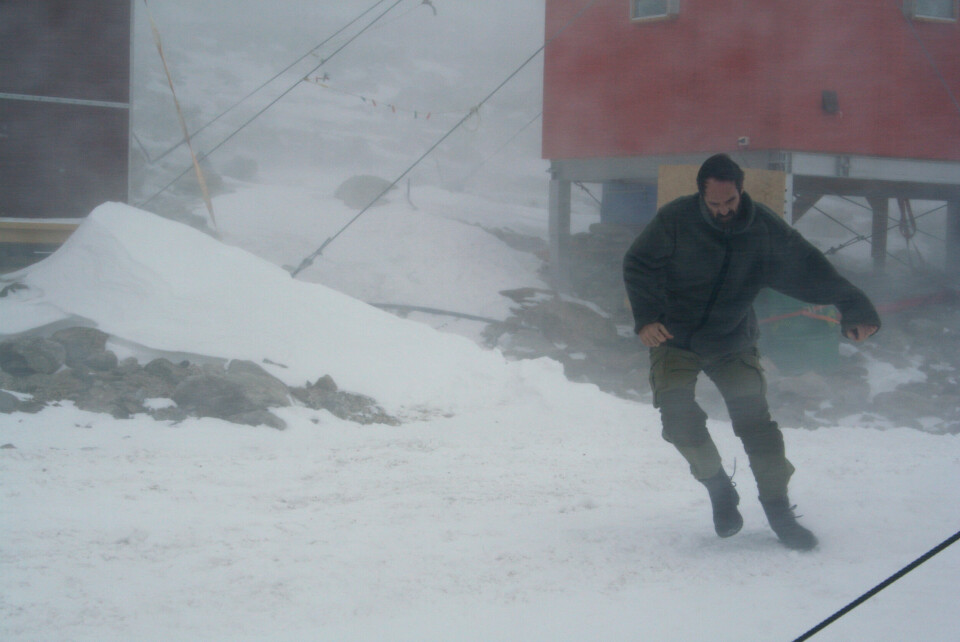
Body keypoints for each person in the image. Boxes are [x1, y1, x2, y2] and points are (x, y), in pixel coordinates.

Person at [622, 154, 880, 550]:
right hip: (674, 338)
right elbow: (639, 263)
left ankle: (779, 511)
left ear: (740, 192)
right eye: (715, 205)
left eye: (731, 202)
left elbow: (810, 266)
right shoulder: (675, 220)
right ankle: (720, 488)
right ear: (701, 195)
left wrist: (855, 306)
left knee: (756, 425)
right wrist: (646, 318)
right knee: (677, 419)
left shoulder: (764, 229)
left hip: (731, 341)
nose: (724, 212)